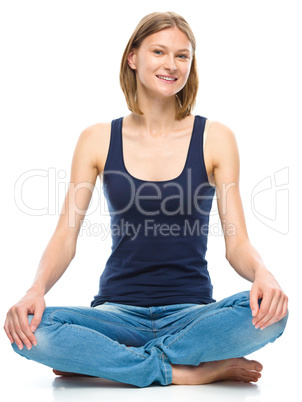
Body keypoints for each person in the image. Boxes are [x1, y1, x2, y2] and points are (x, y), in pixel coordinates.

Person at [4, 11, 288, 388]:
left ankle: (107, 361)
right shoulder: (97, 138)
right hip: (116, 314)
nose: (171, 64)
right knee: (29, 329)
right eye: (159, 51)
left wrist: (263, 275)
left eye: (182, 55)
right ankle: (191, 370)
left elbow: (237, 242)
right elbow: (64, 237)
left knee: (275, 315)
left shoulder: (215, 138)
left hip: (192, 316)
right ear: (133, 57)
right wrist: (35, 290)